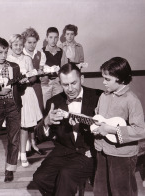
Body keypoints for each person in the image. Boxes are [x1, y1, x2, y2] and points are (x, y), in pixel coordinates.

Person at [33, 62, 102, 196]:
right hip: (63, 151)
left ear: (82, 79)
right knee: (40, 177)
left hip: (88, 152)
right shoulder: (53, 102)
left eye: (73, 83)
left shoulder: (98, 97)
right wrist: (46, 122)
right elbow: (39, 137)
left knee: (66, 175)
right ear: (60, 83)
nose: (70, 89)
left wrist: (95, 150)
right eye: (65, 85)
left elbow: (108, 126)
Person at [92, 57, 145, 196]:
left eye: (107, 79)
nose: (103, 82)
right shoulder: (104, 96)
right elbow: (98, 118)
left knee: (122, 191)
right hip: (102, 150)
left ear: (120, 79)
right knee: (101, 190)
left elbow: (141, 130)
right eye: (103, 78)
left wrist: (111, 130)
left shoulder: (131, 100)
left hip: (122, 155)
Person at [0, 37, 24, 182]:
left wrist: (22, 83)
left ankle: (10, 169)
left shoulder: (14, 67)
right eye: (0, 52)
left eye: (5, 52)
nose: (3, 55)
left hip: (12, 104)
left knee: (13, 139)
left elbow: (19, 88)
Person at [7, 34, 43, 167]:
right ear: (11, 46)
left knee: (24, 125)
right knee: (14, 126)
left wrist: (26, 80)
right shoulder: (7, 59)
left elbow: (33, 76)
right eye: (15, 45)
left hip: (26, 94)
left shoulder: (27, 59)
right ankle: (15, 150)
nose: (18, 47)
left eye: (20, 45)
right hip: (12, 95)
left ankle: (23, 154)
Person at [21, 27, 46, 156]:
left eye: (34, 42)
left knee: (37, 115)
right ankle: (25, 145)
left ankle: (33, 142)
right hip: (24, 89)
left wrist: (42, 73)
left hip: (36, 86)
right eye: (29, 42)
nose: (32, 45)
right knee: (26, 116)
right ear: (24, 42)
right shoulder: (20, 54)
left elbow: (41, 71)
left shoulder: (40, 54)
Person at [40, 27, 64, 107]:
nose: (53, 40)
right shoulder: (42, 51)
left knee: (58, 105)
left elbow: (64, 67)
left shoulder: (61, 51)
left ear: (58, 38)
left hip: (57, 82)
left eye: (56, 37)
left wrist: (59, 78)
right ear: (46, 38)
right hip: (46, 84)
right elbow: (39, 68)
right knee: (45, 105)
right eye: (50, 37)